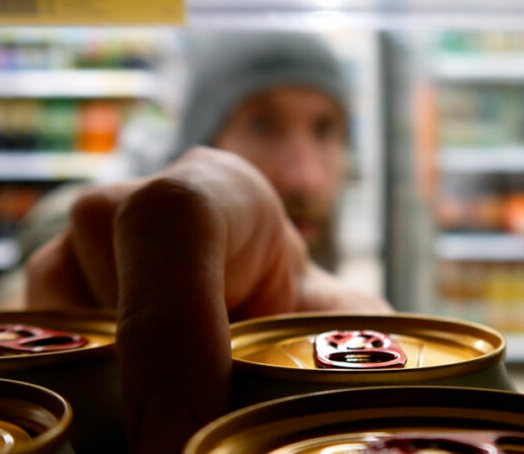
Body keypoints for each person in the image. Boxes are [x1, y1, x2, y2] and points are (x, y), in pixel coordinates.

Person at [25, 32, 392, 453]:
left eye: (326, 130)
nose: (303, 179)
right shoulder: (107, 246)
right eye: (263, 125)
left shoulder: (347, 295)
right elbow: (60, 236)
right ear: (205, 143)